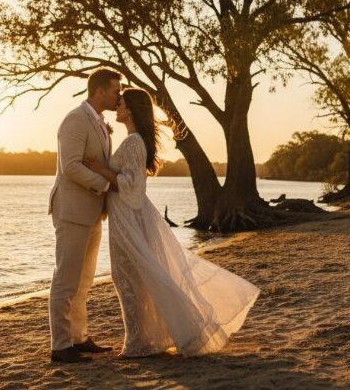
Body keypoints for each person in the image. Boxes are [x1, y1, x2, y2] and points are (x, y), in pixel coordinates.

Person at [84, 88, 260, 357]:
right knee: (135, 276)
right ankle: (143, 338)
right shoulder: (135, 140)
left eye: (120, 103)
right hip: (128, 214)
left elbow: (130, 187)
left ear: (130, 109)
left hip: (128, 216)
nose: (115, 106)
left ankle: (140, 342)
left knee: (130, 276)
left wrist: (100, 169)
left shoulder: (134, 142)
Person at [47, 67, 122, 363]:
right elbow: (71, 166)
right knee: (66, 279)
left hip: (93, 212)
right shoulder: (75, 120)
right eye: (116, 91)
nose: (119, 96)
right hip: (72, 210)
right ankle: (60, 345)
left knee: (84, 280)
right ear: (100, 90)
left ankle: (79, 338)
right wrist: (106, 185)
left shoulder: (101, 122)